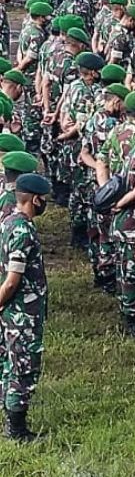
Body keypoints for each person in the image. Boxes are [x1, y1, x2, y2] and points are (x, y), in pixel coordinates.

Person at [0, 172, 49, 442]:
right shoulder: (22, 231)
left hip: (13, 311)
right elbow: (11, 282)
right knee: (23, 366)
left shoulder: (8, 222)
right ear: (35, 199)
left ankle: (9, 409)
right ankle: (17, 429)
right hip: (22, 313)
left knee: (9, 362)